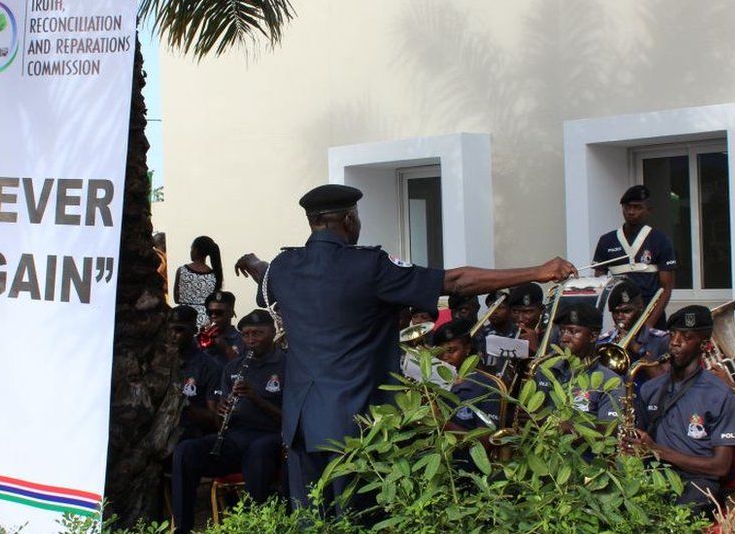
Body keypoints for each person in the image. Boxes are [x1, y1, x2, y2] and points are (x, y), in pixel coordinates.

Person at [234, 183, 576, 508]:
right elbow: (457, 281)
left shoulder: (283, 267)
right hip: (358, 424)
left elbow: (262, 272)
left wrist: (250, 260)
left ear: (311, 221)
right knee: (359, 517)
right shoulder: (369, 266)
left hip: (301, 427)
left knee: (312, 518)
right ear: (350, 219)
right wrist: (538, 270)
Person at [171, 310, 285, 534]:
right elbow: (219, 415)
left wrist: (255, 398)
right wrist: (222, 413)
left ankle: (258, 525)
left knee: (258, 452)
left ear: (272, 332)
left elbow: (289, 418)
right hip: (234, 438)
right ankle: (182, 527)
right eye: (246, 335)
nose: (251, 340)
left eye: (257, 334)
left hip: (269, 437)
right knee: (185, 451)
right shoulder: (233, 368)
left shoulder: (286, 364)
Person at [629, 305, 735, 512]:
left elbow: (721, 467)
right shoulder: (650, 388)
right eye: (672, 334)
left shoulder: (720, 394)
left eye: (686, 337)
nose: (674, 342)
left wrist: (659, 451)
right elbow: (641, 441)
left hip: (698, 483)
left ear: (705, 345)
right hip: (654, 474)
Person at [593, 185, 676, 328]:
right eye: (627, 207)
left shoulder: (660, 240)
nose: (631, 212)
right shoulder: (606, 241)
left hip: (652, 316)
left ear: (648, 210)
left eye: (637, 207)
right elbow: (599, 283)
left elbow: (666, 287)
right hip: (621, 315)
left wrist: (649, 324)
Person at [534, 303, 623, 423]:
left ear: (593, 336)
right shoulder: (544, 370)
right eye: (562, 331)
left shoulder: (610, 381)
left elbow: (609, 431)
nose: (563, 338)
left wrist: (561, 428)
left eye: (572, 331)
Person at [432, 319, 502, 431]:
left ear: (467, 349)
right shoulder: (429, 379)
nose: (444, 357)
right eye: (440, 352)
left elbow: (484, 441)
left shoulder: (487, 387)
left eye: (451, 350)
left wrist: (439, 421)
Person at [598, 280, 669, 382]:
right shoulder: (603, 343)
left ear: (640, 307)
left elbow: (665, 381)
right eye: (616, 312)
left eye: (626, 311)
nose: (620, 317)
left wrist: (639, 350)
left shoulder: (661, 340)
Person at [168, 306, 221, 441]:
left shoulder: (209, 367)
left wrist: (182, 405)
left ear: (193, 331)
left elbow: (214, 418)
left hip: (190, 434)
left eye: (179, 330)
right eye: (169, 330)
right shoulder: (158, 361)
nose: (173, 335)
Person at [174, 236, 223, 329]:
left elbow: (176, 298)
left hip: (184, 317)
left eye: (191, 249)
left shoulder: (182, 271)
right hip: (206, 321)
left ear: (195, 250)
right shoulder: (215, 275)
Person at [475, 290, 516, 370]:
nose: (494, 312)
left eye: (500, 308)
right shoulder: (481, 334)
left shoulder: (518, 332)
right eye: (491, 307)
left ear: (510, 310)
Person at [202, 291, 244, 364]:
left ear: (231, 313)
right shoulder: (200, 338)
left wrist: (225, 348)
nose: (213, 316)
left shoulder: (244, 340)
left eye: (219, 313)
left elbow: (245, 368)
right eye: (210, 312)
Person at [508, 282, 544, 352]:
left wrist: (536, 349)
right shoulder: (503, 333)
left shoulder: (554, 334)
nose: (520, 319)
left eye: (528, 312)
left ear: (541, 310)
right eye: (515, 311)